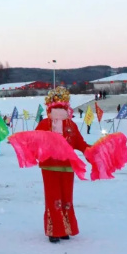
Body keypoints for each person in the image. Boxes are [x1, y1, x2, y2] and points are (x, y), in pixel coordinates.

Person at [35, 87, 90, 243]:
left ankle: (64, 228)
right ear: (50, 106)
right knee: (54, 198)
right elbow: (35, 141)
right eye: (56, 105)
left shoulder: (71, 125)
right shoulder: (45, 124)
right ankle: (54, 230)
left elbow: (80, 143)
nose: (59, 108)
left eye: (62, 105)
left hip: (67, 167)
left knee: (66, 199)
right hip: (49, 166)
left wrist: (92, 150)